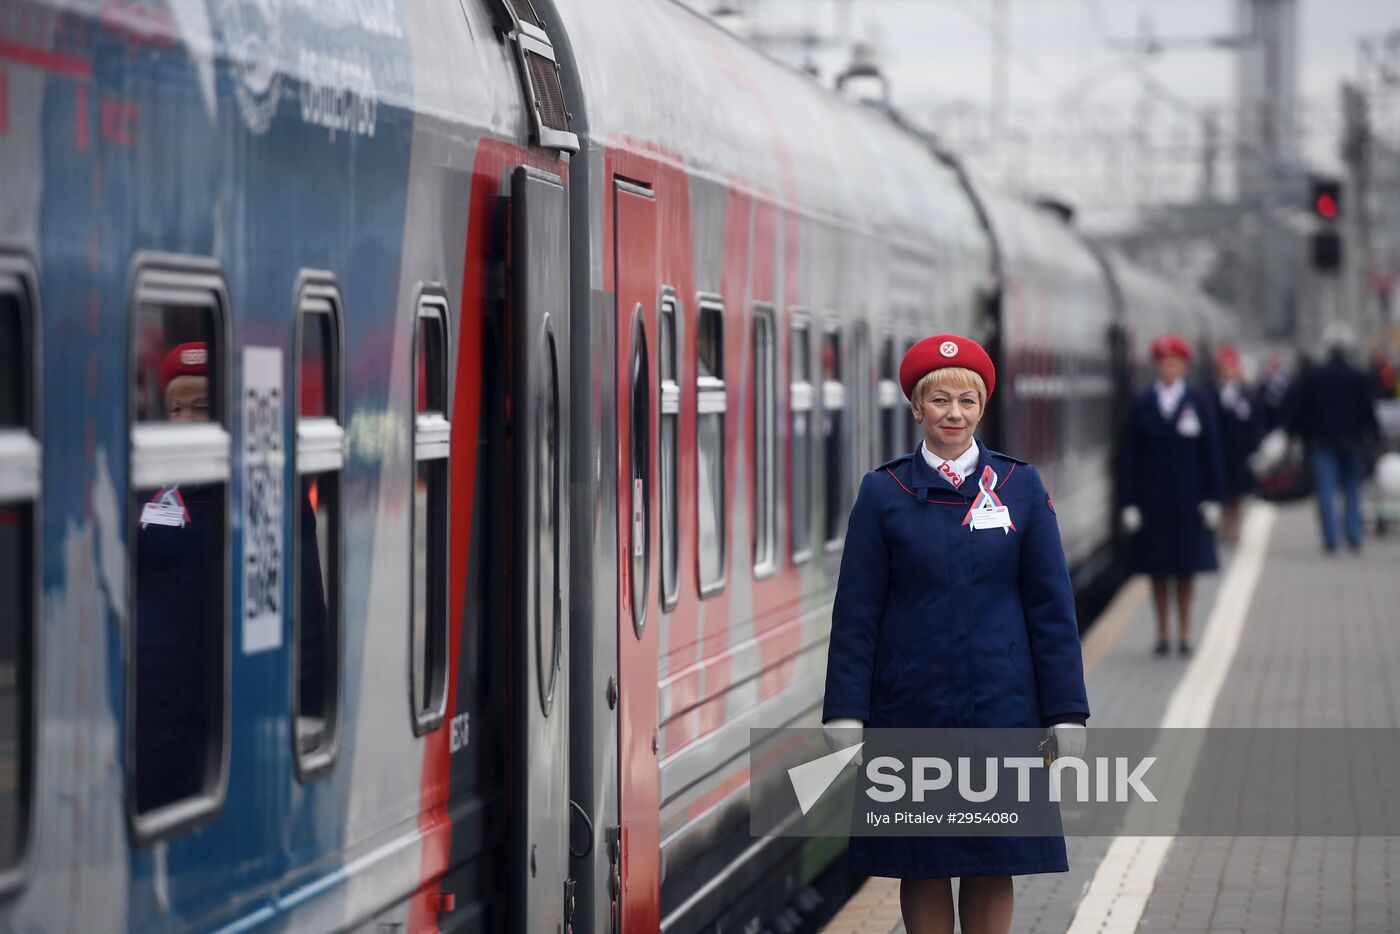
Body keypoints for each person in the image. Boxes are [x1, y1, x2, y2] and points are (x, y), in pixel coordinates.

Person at [822, 334, 1089, 934]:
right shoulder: (884, 493)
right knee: (922, 862)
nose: (954, 413)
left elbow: (1051, 606)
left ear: (982, 408)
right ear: (917, 407)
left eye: (967, 401)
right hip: (911, 707)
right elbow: (857, 612)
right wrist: (844, 710)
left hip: (1004, 707)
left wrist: (1067, 711)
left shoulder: (1020, 486)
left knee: (995, 860)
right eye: (939, 400)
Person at [1117, 335, 1225, 656]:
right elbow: (1128, 456)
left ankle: (1186, 632)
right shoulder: (1142, 403)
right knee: (1158, 571)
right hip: (1152, 502)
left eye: (1174, 363)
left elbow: (1212, 452)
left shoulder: (1198, 402)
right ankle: (1162, 633)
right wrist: (1128, 502)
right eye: (1163, 363)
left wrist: (1214, 497)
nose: (1168, 369)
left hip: (1189, 503)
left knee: (1186, 570)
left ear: (1184, 367)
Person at [1287, 325, 1380, 553]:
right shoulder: (1358, 377)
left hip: (1323, 440)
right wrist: (1374, 434)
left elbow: (1301, 410)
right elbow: (1368, 410)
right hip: (1352, 440)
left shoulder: (1315, 377)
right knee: (1352, 488)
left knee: (1326, 489)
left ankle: (1331, 538)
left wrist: (1296, 434)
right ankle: (1353, 533)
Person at [1212, 345, 1262, 542]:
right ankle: (1225, 523)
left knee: (1238, 492)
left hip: (1240, 452)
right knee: (1223, 491)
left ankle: (1235, 524)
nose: (1228, 371)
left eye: (1231, 366)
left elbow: (1255, 422)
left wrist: (1254, 446)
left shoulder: (1246, 394)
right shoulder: (1212, 392)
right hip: (1220, 450)